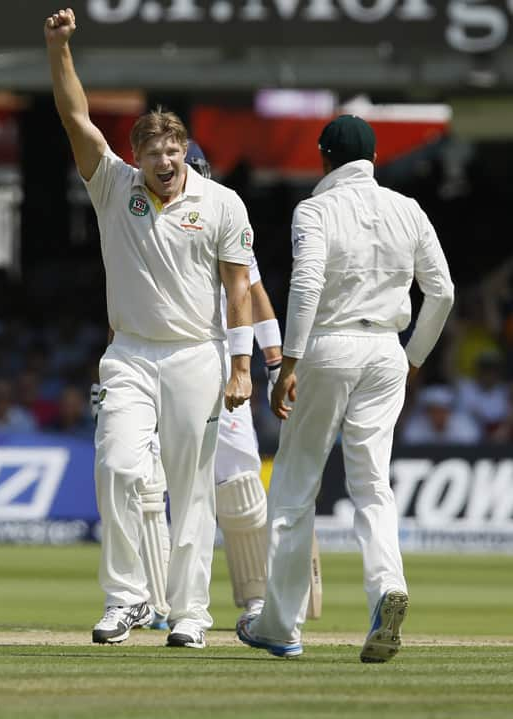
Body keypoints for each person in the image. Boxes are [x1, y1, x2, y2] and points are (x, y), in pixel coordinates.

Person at [45, 9, 254, 650]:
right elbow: (76, 118)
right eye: (152, 151)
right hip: (130, 353)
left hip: (197, 354)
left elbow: (239, 287)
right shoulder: (114, 185)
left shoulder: (220, 203)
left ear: (186, 151)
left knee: (191, 491)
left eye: (173, 149)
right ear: (134, 157)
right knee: (115, 466)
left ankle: (190, 614)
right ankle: (127, 599)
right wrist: (59, 49)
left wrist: (243, 366)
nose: (164, 159)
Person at [237, 114, 454, 661]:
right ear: (375, 159)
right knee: (372, 483)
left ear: (324, 158)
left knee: (294, 485)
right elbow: (443, 292)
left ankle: (281, 626)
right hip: (387, 349)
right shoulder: (408, 208)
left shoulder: (314, 209)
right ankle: (386, 587)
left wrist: (289, 361)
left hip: (329, 345)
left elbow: (308, 281)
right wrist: (412, 359)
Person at [90, 141, 284, 629]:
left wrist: (271, 362)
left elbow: (253, 293)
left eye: (193, 169)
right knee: (139, 479)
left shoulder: (218, 210)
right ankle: (151, 601)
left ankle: (255, 598)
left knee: (235, 482)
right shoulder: (140, 215)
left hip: (211, 363)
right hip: (143, 360)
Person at [401, 384, 482, 445]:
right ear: (427, 413)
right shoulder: (417, 425)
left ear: (449, 411)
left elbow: (472, 444)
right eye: (433, 411)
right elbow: (409, 442)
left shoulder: (463, 424)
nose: (438, 415)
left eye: (442, 410)